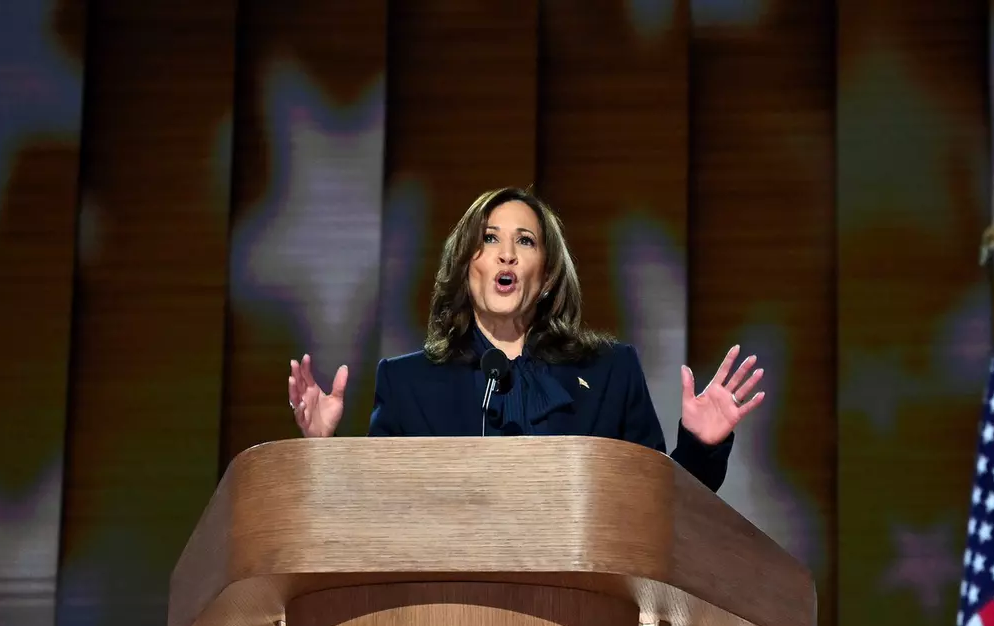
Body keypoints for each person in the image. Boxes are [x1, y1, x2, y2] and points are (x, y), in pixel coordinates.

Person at [287, 186, 764, 492]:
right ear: (466, 266)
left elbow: (656, 514)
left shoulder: (609, 372)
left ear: (549, 276)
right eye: (490, 239)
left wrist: (700, 447)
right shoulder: (408, 382)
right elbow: (373, 514)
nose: (507, 255)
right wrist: (320, 453)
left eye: (526, 242)